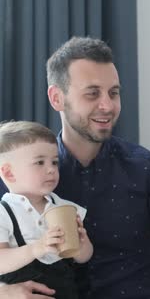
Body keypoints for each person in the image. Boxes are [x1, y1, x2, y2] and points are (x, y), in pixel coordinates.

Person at [0, 37, 150, 298]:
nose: (108, 105)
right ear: (57, 98)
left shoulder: (146, 168)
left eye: (114, 93)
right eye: (92, 93)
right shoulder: (23, 175)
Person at [0, 121, 93, 299]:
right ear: (9, 173)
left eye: (55, 162)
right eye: (39, 162)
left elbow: (84, 258)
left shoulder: (65, 207)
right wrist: (37, 248)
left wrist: (82, 244)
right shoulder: (3, 213)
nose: (51, 169)